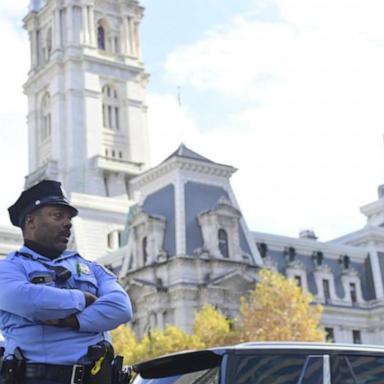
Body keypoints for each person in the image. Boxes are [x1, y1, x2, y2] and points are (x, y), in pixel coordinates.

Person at [0, 180, 133, 384]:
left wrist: (69, 320)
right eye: (57, 215)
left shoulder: (92, 267)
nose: (68, 223)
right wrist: (82, 298)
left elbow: (121, 307)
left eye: (69, 217)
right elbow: (27, 300)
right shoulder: (8, 268)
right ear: (30, 221)